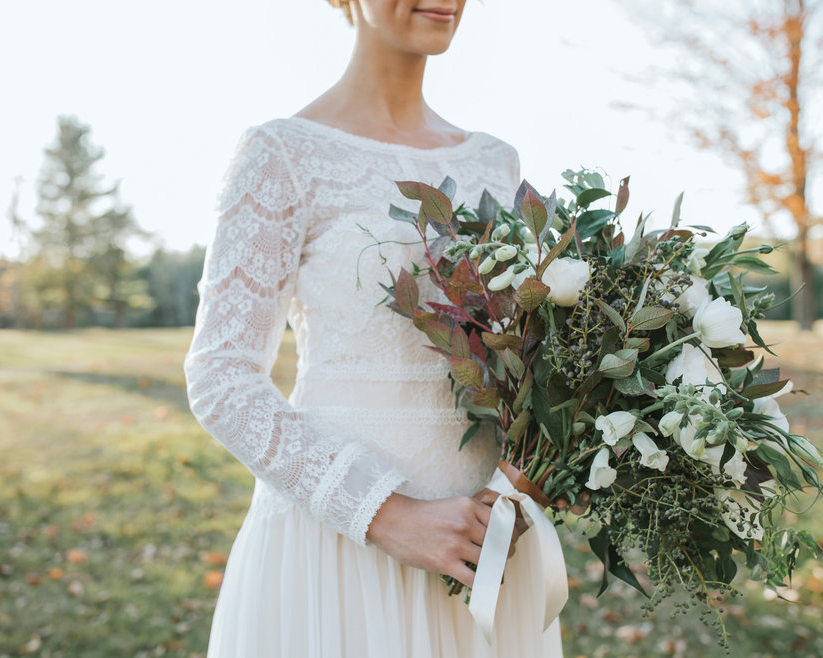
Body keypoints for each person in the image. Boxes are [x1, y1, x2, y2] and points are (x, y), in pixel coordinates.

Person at [182, 1, 563, 655]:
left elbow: (527, 363)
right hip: (335, 555)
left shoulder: (495, 163)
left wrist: (524, 481)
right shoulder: (283, 154)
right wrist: (386, 515)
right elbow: (221, 377)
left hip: (482, 553)